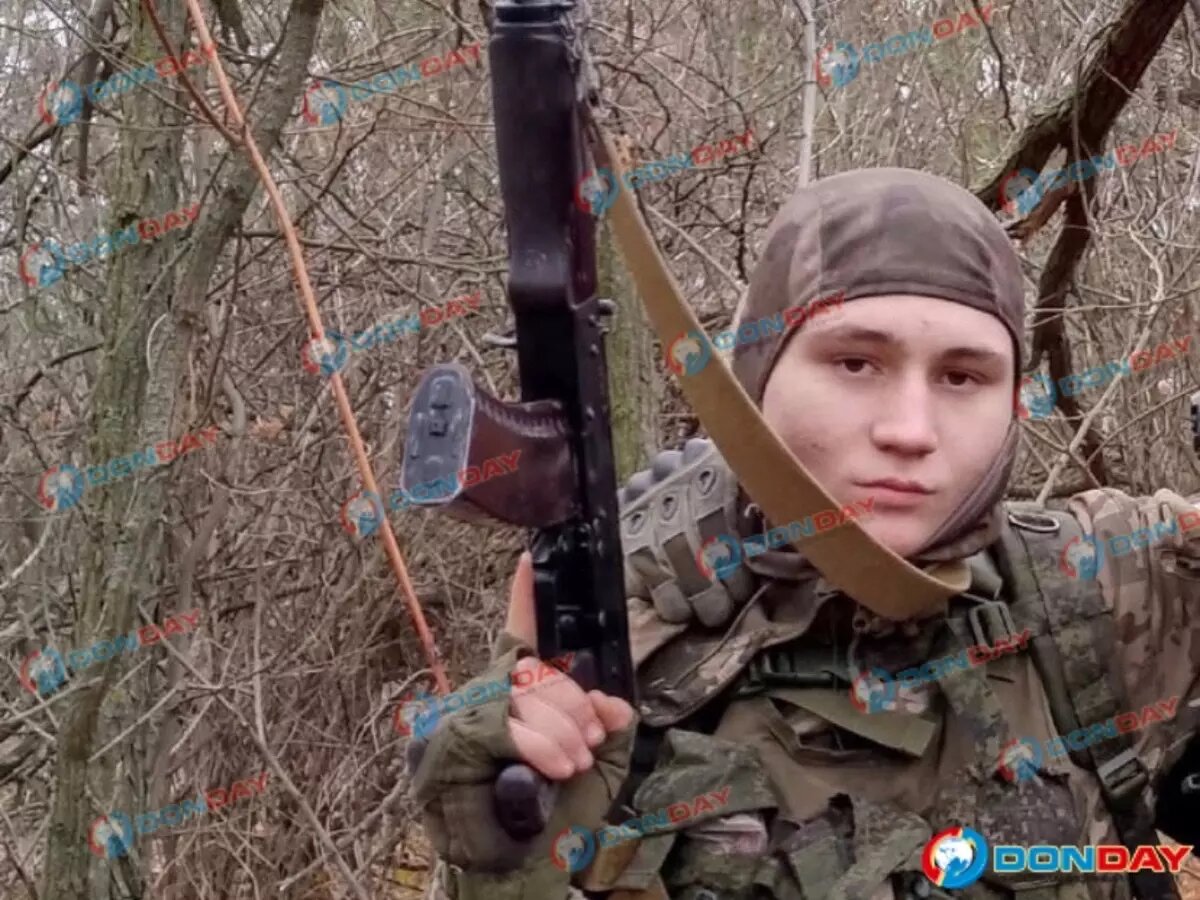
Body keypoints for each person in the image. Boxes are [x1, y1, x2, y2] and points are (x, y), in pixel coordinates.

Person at [406, 168, 1200, 900]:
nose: (910, 430)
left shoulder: (1103, 582)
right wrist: (508, 857)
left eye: (964, 377)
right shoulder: (623, 644)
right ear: (756, 379)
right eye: (855, 363)